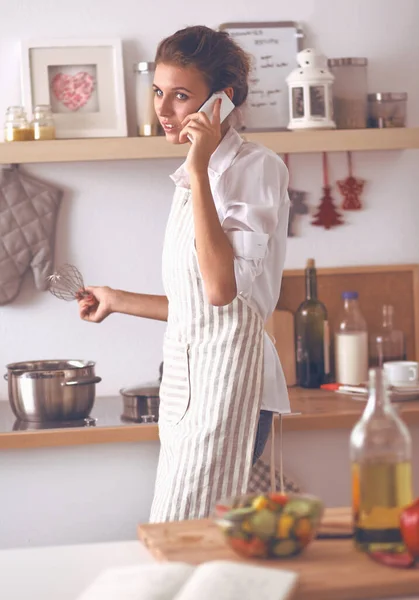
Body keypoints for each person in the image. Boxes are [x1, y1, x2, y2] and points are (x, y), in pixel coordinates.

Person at [78, 25, 291, 523]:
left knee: (185, 536)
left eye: (181, 96)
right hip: (188, 384)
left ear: (222, 100)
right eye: (158, 92)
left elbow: (221, 292)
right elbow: (198, 307)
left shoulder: (254, 168)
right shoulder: (192, 176)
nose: (164, 109)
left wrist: (198, 170)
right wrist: (117, 299)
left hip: (233, 388)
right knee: (181, 533)